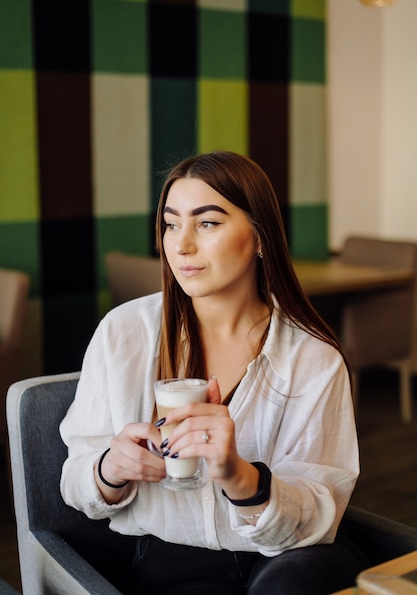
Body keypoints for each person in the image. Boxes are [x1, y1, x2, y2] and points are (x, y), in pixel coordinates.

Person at [60, 151, 365, 594]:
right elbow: (74, 480)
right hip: (169, 560)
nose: (181, 244)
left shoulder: (312, 358)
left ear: (260, 236)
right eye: (170, 223)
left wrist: (241, 477)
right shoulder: (124, 333)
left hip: (287, 556)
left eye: (207, 223)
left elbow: (321, 507)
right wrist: (110, 468)